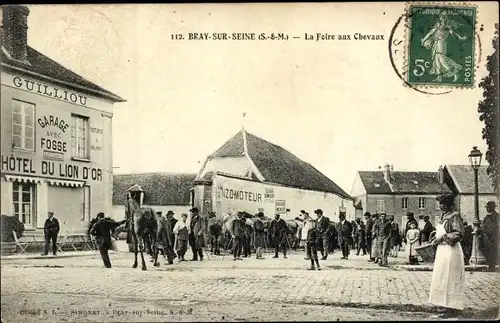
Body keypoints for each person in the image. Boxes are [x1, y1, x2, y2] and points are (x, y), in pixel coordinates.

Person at [429, 193, 465, 318]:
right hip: (442, 250)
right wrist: (435, 239)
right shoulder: (443, 216)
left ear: (449, 205)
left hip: (451, 250)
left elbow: (459, 233)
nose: (441, 206)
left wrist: (443, 237)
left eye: (443, 204)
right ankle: (445, 305)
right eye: (440, 204)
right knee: (443, 277)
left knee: (451, 278)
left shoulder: (455, 216)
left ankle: (453, 307)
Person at [479, 201, 499, 272]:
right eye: (487, 208)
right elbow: (483, 226)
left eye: (488, 207)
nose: (487, 209)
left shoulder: (497, 216)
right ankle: (490, 266)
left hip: (493, 238)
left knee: (492, 252)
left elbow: (495, 228)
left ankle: (492, 267)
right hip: (486, 238)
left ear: (493, 208)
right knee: (487, 251)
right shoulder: (486, 217)